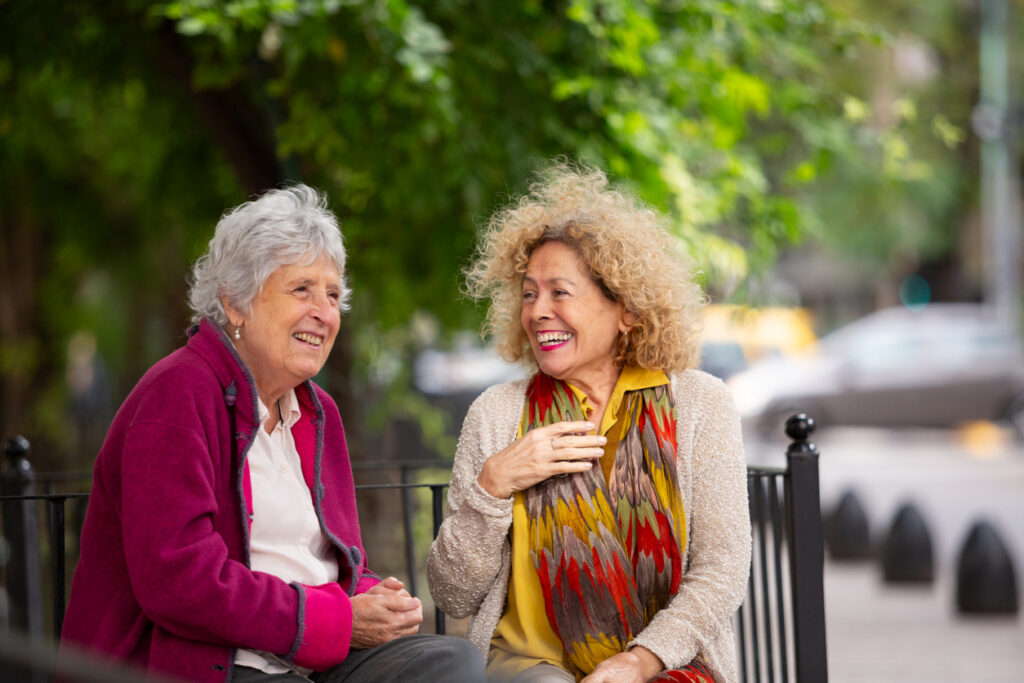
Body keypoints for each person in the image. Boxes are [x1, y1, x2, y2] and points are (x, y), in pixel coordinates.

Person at [61, 185, 485, 683]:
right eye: (301, 289)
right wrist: (335, 620)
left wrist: (372, 599)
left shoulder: (316, 409)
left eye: (332, 295)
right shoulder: (177, 393)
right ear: (235, 302)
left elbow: (328, 563)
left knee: (453, 663)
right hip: (213, 662)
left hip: (316, 657)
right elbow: (178, 581)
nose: (324, 313)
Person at [426, 162, 751, 683]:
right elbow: (452, 592)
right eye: (529, 294)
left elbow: (723, 569)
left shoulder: (699, 404)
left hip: (664, 665)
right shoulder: (498, 413)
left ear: (625, 308)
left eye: (560, 292)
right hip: (530, 667)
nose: (538, 312)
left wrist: (639, 661)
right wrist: (493, 485)